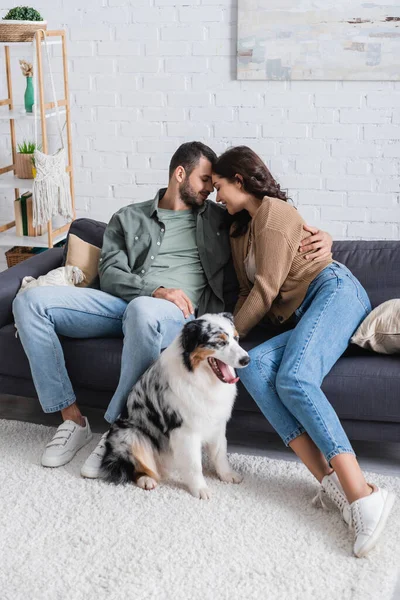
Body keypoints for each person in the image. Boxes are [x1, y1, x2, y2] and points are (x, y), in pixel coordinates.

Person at [12, 141, 332, 479]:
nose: (211, 190)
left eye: (215, 183)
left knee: (143, 311)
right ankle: (71, 419)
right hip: (121, 303)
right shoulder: (128, 217)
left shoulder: (221, 219)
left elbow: (275, 223)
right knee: (29, 302)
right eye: (205, 180)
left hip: (173, 314)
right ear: (180, 174)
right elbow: (110, 273)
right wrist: (155, 290)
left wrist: (324, 238)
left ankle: (120, 428)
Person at [211, 145, 395, 558]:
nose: (216, 196)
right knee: (255, 368)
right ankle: (331, 485)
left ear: (239, 180)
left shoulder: (275, 215)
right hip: (309, 309)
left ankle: (364, 494)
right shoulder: (241, 231)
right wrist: (233, 343)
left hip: (336, 292)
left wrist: (225, 341)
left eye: (219, 186)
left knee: (295, 377)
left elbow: (265, 290)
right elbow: (246, 290)